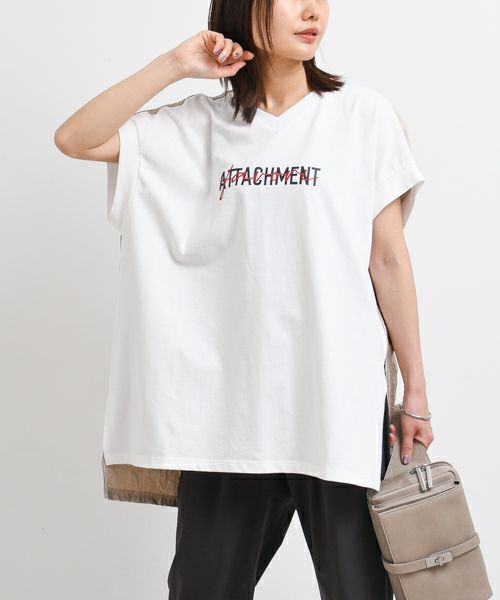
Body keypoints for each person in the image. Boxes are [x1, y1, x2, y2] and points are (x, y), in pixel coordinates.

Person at [54, 1, 434, 598]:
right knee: (204, 589)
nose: (311, 11)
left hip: (335, 402)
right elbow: (75, 139)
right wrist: (175, 64)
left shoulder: (362, 116)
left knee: (358, 589)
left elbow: (387, 259)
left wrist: (415, 392)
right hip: (229, 417)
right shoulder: (194, 126)